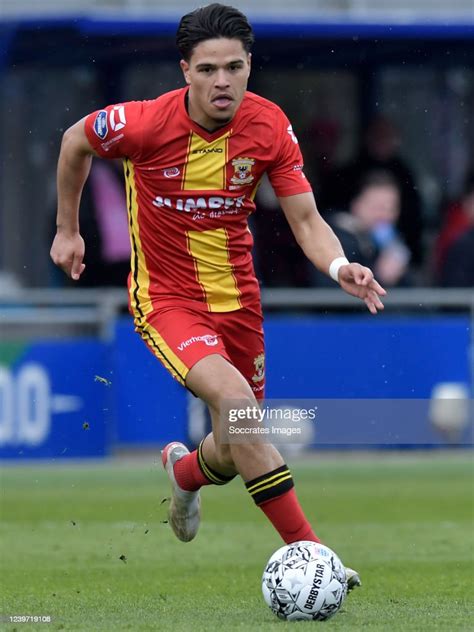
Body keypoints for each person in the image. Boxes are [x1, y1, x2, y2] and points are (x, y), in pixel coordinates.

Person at [50, 3, 386, 591]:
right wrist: (68, 229)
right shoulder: (142, 124)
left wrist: (339, 265)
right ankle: (315, 558)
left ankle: (185, 472)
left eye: (234, 67)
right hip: (166, 300)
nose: (222, 81)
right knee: (237, 405)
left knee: (234, 446)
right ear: (185, 70)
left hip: (239, 303)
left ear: (250, 65)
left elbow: (305, 219)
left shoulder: (269, 125)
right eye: (207, 69)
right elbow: (74, 140)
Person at [313, 171, 411, 288]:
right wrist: (380, 277)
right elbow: (329, 294)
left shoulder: (390, 242)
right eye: (377, 207)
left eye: (391, 209)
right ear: (356, 205)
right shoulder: (337, 238)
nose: (384, 215)